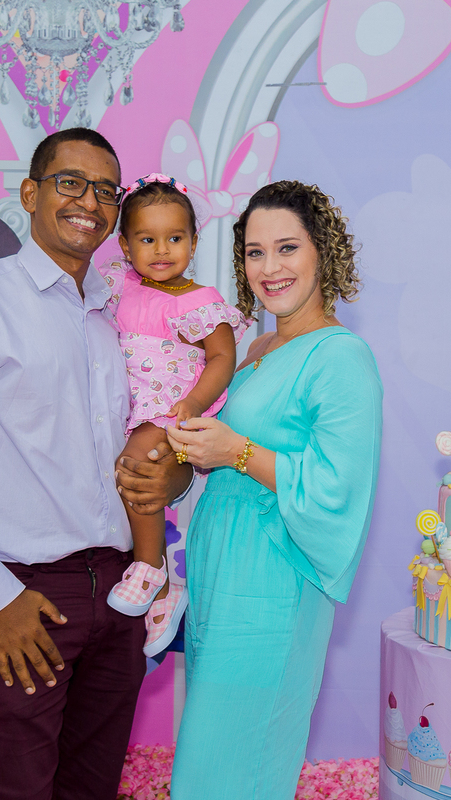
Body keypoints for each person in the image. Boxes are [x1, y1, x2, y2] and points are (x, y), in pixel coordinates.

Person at [0, 128, 192, 800]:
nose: (89, 201)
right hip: (20, 594)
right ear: (30, 194)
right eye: (70, 183)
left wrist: (175, 476)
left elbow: (146, 441)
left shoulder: (119, 316)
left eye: (106, 190)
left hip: (118, 593)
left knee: (91, 789)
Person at [165, 180, 384, 798]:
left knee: (234, 764)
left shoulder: (341, 357)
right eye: (255, 253)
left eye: (287, 248)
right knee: (213, 757)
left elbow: (337, 487)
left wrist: (234, 451)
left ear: (322, 252)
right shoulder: (259, 347)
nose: (270, 268)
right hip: (221, 570)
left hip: (275, 574)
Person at [98, 173, 249, 656]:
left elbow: (222, 357)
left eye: (175, 238)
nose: (162, 250)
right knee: (125, 476)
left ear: (194, 242)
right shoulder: (118, 286)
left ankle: (149, 567)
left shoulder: (201, 301)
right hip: (127, 405)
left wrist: (195, 403)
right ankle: (164, 592)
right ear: (125, 245)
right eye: (147, 239)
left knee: (138, 470)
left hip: (170, 405)